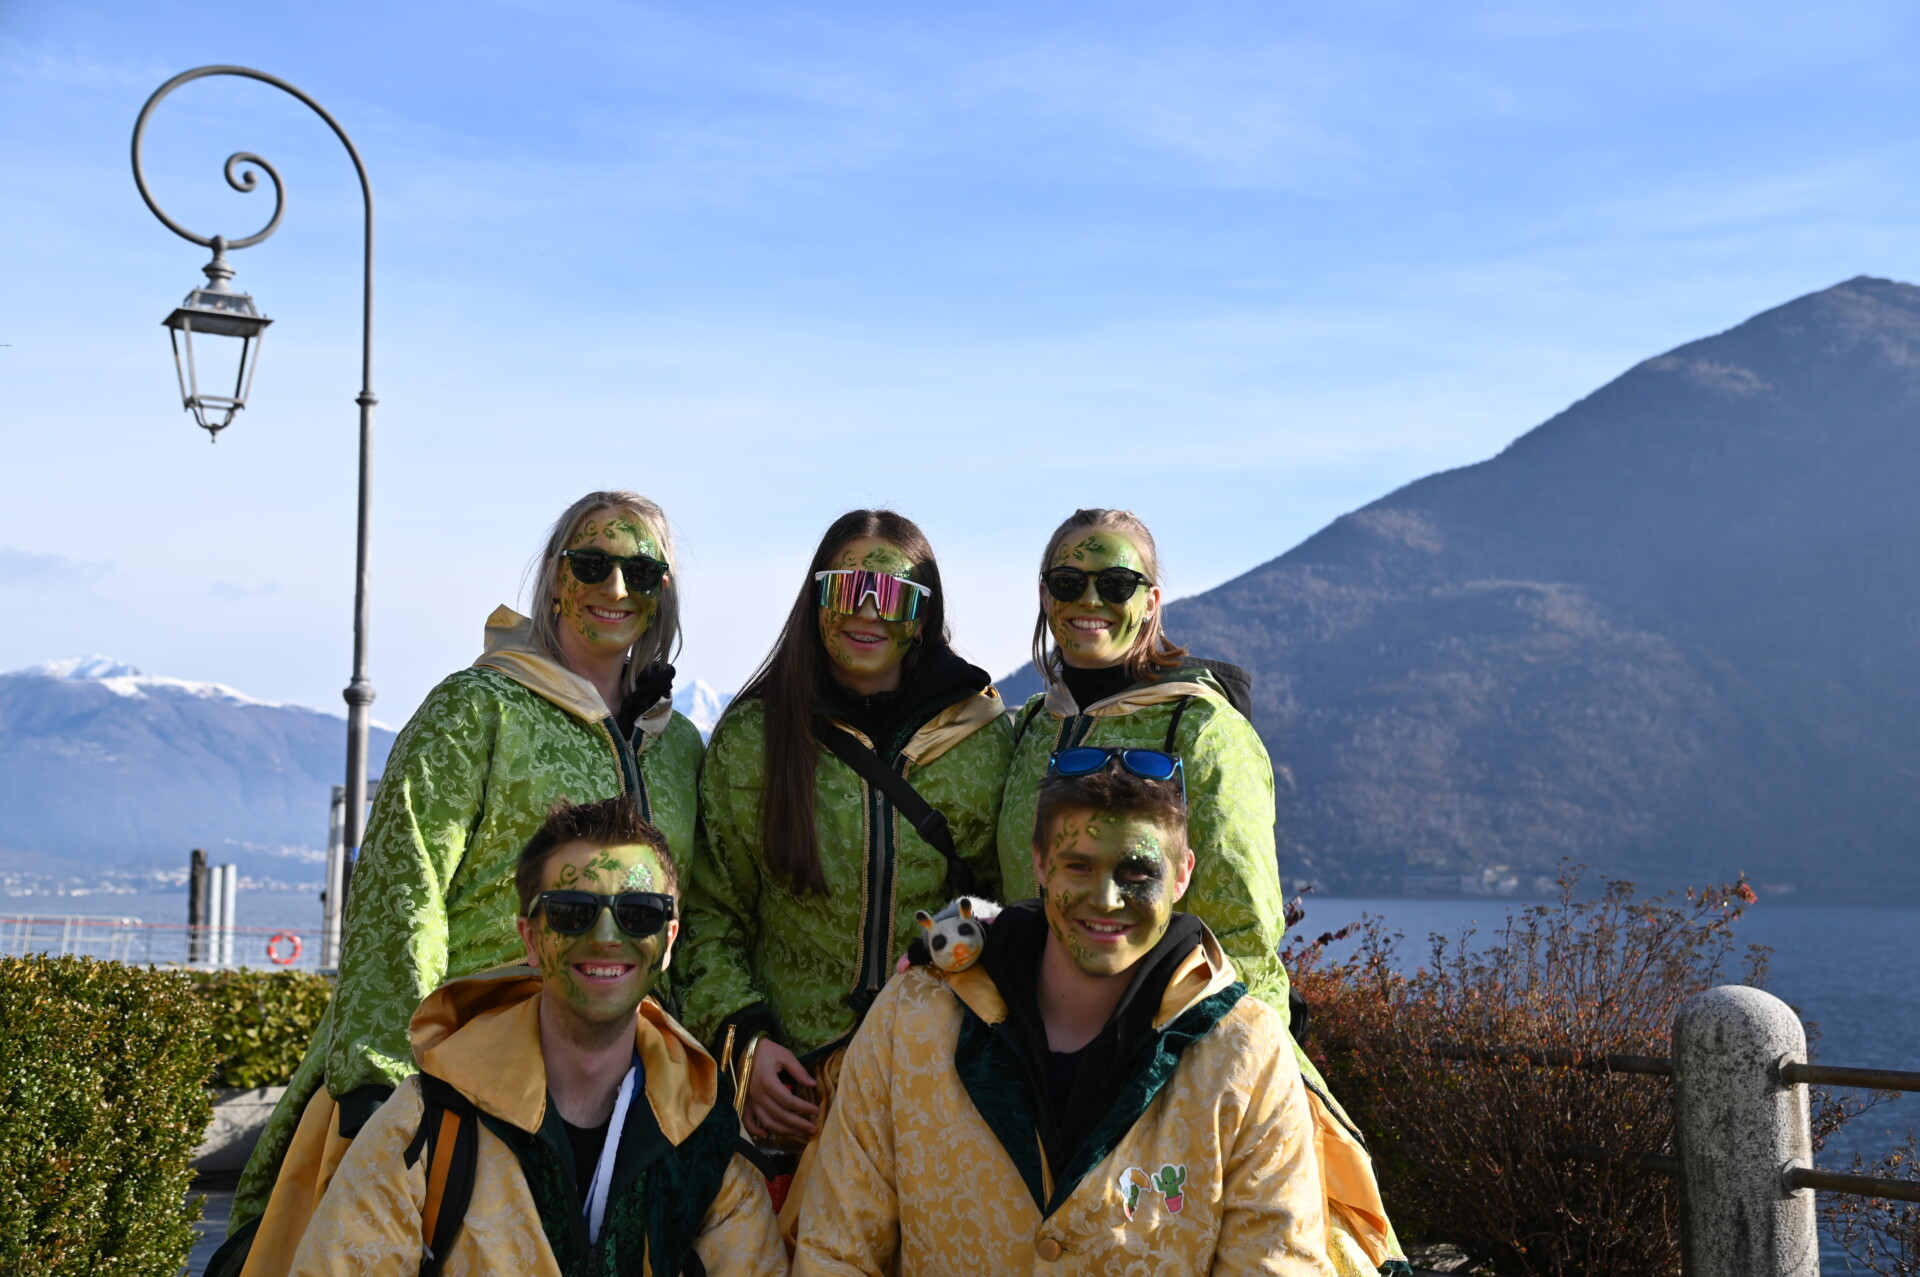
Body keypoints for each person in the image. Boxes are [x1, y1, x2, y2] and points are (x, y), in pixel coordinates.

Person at [220, 491, 706, 1276]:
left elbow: (694, 917)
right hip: (464, 1073)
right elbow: (401, 885)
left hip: (623, 1087)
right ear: (555, 579)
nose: (615, 588)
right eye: (592, 564)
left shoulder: (680, 748)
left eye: (640, 572)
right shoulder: (475, 708)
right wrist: (387, 1080)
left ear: (663, 592)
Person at [994, 507, 1406, 1274]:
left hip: (1169, 1060)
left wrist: (1206, 1071)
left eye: (1117, 582)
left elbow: (1243, 931)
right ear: (1044, 594)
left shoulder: (1202, 730)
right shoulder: (1030, 730)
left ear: (1153, 600)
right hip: (1039, 1052)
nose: (1090, 599)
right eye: (1068, 581)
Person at [792, 756, 1335, 1274]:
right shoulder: (912, 1018)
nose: (1106, 898)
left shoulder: (1245, 1053)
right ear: (1038, 863)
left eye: (1138, 871)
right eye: (1079, 865)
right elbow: (837, 1252)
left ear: (1182, 875)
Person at [677, 509, 1013, 1229]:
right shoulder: (753, 737)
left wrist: (941, 948)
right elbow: (709, 911)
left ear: (922, 617)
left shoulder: (984, 741)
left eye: (891, 594)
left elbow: (1006, 903)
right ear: (816, 598)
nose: (866, 610)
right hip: (786, 1103)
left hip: (935, 1087)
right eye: (846, 588)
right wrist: (746, 1043)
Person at [286, 796, 786, 1276]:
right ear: (529, 938)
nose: (606, 938)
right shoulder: (422, 1126)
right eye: (572, 912)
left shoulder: (712, 1143)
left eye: (640, 914)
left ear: (669, 941)